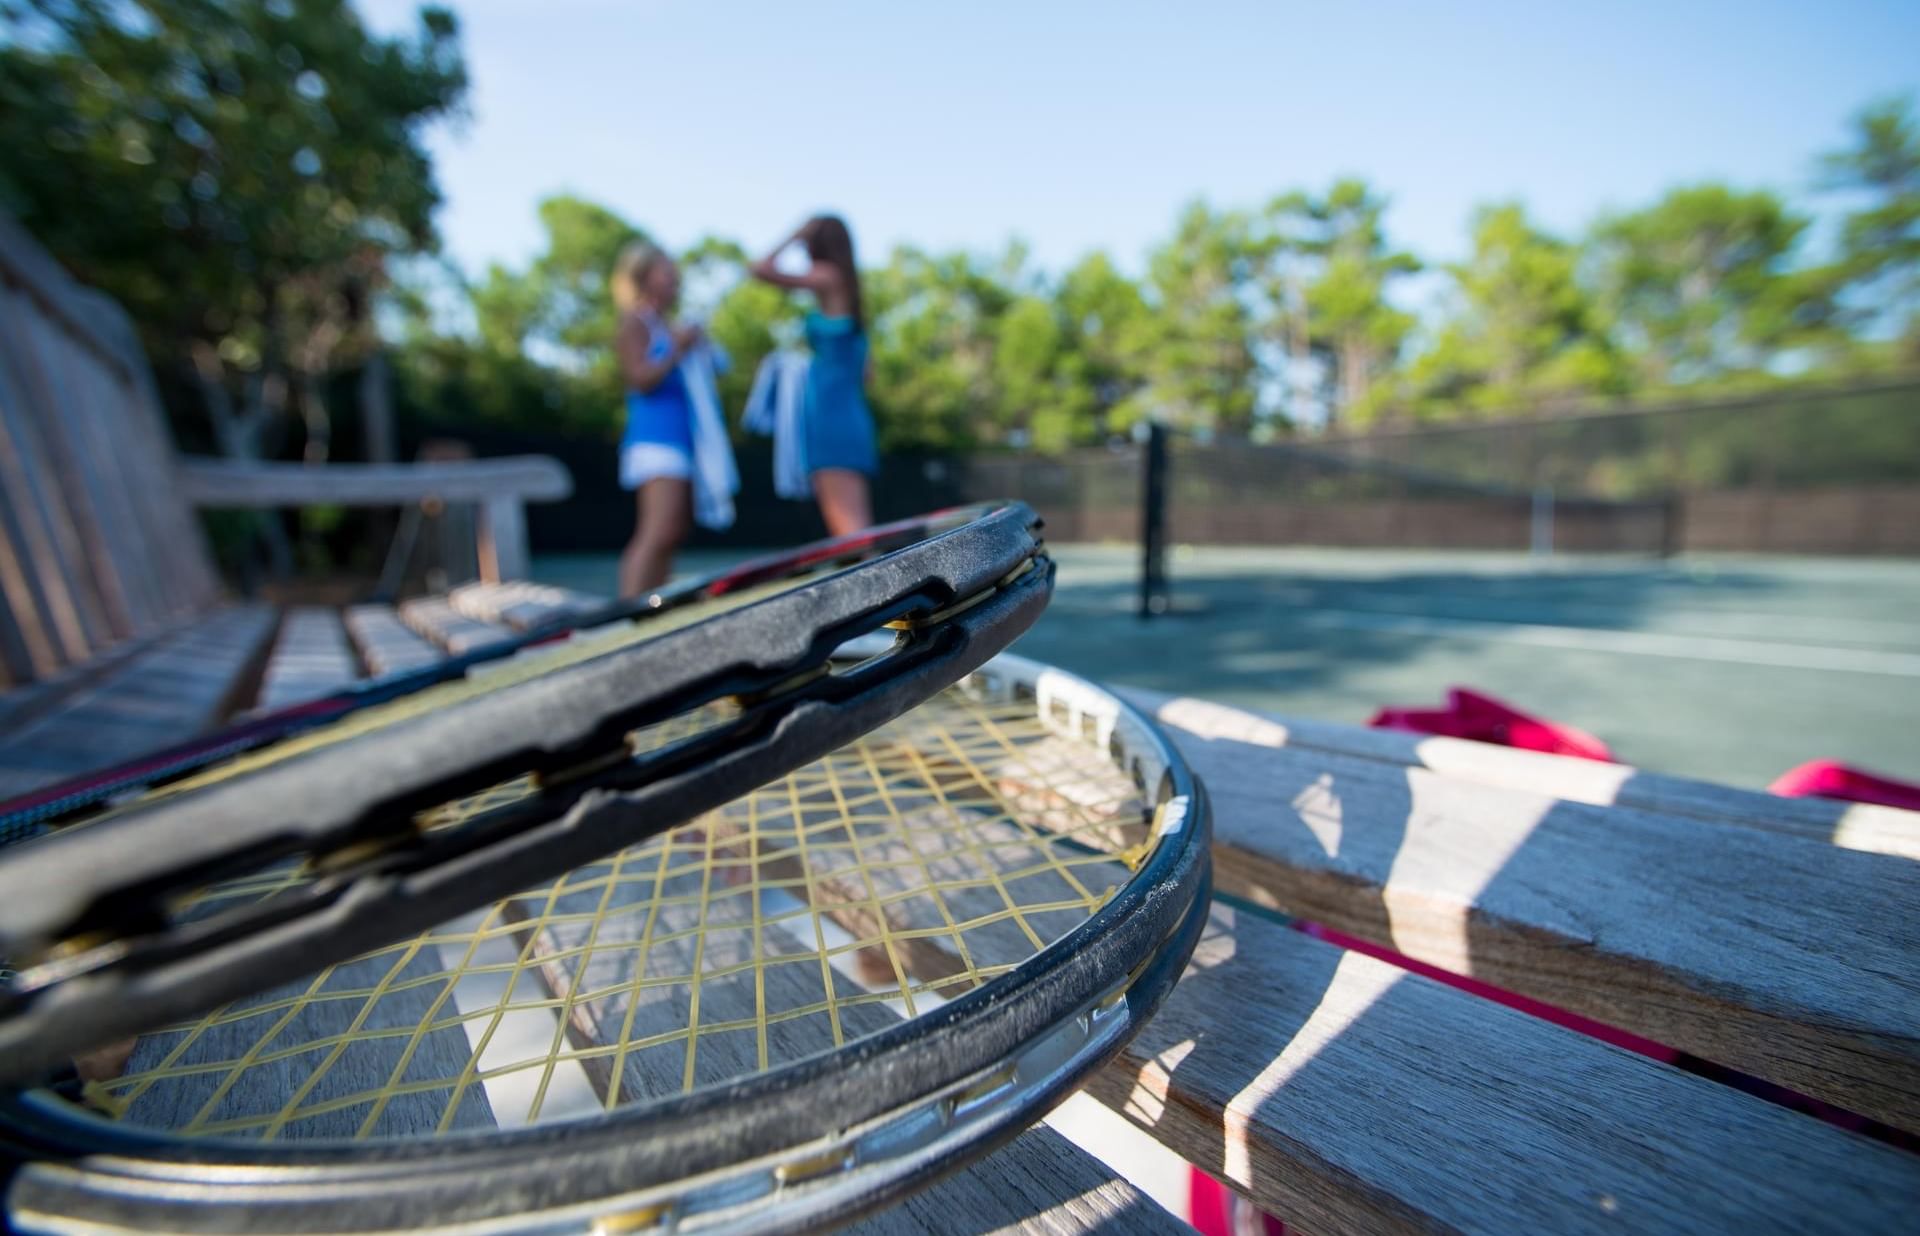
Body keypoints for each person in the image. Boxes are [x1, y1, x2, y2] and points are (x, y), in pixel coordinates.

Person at [749, 215, 876, 535]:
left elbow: (760, 269)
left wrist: (794, 232)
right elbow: (867, 374)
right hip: (849, 414)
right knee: (855, 527)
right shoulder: (850, 291)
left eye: (808, 240)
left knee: (850, 533)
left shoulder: (828, 276)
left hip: (828, 415)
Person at [612, 242, 702, 596]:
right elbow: (640, 379)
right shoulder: (635, 322)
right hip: (654, 441)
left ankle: (652, 610)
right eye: (666, 272)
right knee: (657, 530)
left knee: (674, 530)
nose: (674, 279)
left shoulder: (667, 325)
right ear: (643, 277)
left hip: (680, 440)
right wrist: (677, 348)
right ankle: (625, 616)